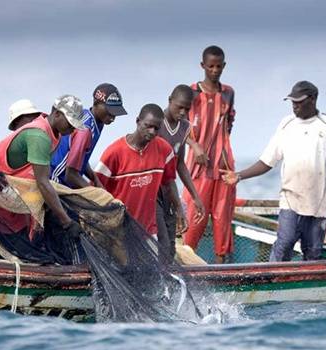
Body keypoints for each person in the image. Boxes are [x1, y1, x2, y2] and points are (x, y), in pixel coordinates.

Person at [220, 81, 326, 262]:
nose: (295, 106)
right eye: (292, 102)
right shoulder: (286, 124)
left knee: (313, 252)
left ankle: (307, 287)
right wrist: (239, 176)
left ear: (313, 99)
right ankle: (271, 282)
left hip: (319, 204)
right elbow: (267, 161)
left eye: (299, 102)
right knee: (284, 243)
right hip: (291, 199)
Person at [0, 95, 87, 239]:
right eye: (70, 123)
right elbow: (43, 183)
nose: (72, 128)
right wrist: (67, 222)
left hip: (14, 194)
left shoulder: (53, 133)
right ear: (56, 114)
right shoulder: (39, 136)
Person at [182, 45, 237, 264]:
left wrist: (220, 146)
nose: (215, 70)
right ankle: (186, 262)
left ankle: (221, 266)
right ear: (203, 66)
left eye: (219, 66)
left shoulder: (228, 92)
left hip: (224, 165)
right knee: (195, 214)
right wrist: (195, 146)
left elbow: (229, 123)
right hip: (198, 166)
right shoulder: (192, 92)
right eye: (210, 66)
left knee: (223, 217)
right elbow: (177, 125)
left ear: (224, 66)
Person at [95, 104, 177, 239]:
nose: (152, 132)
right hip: (118, 232)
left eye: (156, 128)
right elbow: (96, 188)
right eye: (148, 126)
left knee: (152, 259)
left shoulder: (164, 150)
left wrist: (179, 209)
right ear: (138, 121)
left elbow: (169, 181)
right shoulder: (114, 152)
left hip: (148, 232)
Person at [156, 84, 205, 261]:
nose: (183, 112)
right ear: (170, 101)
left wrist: (195, 196)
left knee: (170, 244)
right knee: (160, 240)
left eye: (187, 108)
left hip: (169, 189)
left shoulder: (184, 127)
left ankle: (168, 284)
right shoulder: (156, 122)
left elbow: (180, 164)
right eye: (179, 107)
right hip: (154, 190)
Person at [50, 83, 127, 188]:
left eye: (115, 114)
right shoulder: (85, 130)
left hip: (66, 181)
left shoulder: (98, 121)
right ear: (96, 103)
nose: (112, 118)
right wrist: (93, 191)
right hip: (56, 181)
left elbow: (81, 157)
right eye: (109, 112)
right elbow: (70, 174)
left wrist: (95, 179)